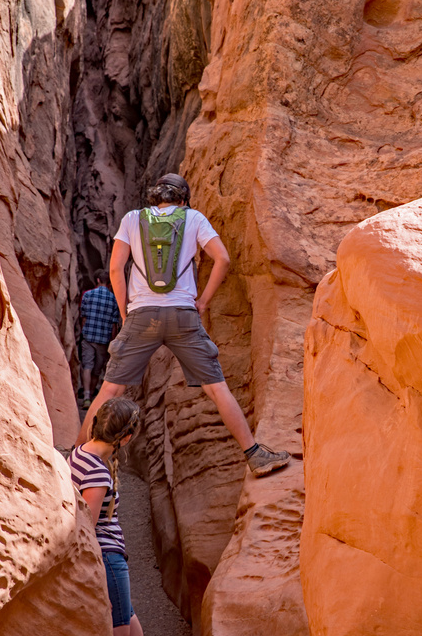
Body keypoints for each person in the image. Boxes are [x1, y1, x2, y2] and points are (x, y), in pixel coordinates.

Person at [75, 174, 291, 478]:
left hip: (142, 315)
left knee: (110, 389)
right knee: (217, 388)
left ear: (154, 198)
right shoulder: (194, 218)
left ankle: (76, 457)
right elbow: (222, 259)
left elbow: (115, 268)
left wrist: (126, 313)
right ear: (183, 200)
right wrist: (202, 302)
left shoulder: (132, 219)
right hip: (182, 315)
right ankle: (254, 455)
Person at [69, 397, 168, 636]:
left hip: (111, 562)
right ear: (124, 438)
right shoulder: (96, 472)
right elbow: (87, 530)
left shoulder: (81, 454)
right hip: (109, 561)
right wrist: (99, 588)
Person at [79, 269, 121, 409]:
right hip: (103, 340)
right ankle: (91, 394)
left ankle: (86, 397)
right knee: (97, 370)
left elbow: (83, 317)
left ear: (97, 280)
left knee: (87, 366)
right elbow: (114, 325)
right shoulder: (114, 299)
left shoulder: (87, 295)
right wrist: (112, 342)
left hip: (89, 337)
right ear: (109, 282)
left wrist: (83, 333)